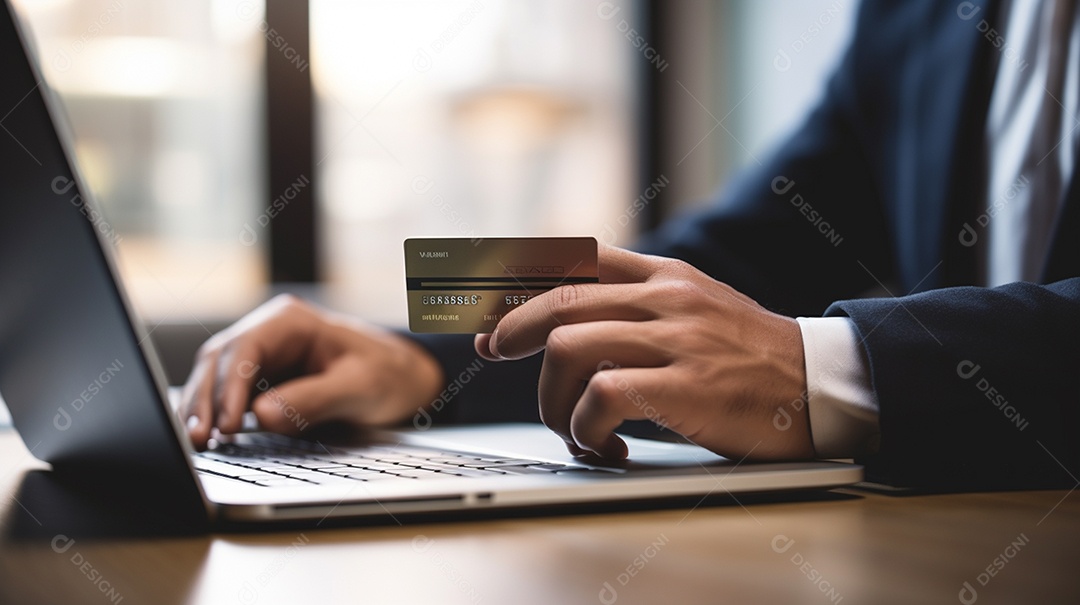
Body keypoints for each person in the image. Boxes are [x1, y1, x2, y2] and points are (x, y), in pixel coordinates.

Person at [182, 0, 1080, 491]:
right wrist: (423, 360)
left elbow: (771, 338)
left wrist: (821, 370)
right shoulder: (915, 15)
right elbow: (750, 246)